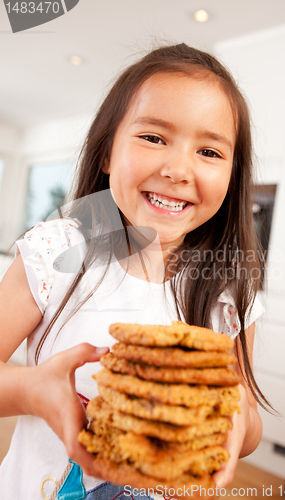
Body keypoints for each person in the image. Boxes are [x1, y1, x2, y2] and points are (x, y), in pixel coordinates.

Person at [0, 43, 269, 499]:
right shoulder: (55, 253)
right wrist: (32, 390)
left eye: (209, 151)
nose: (178, 169)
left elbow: (248, 424)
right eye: (153, 137)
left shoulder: (229, 288)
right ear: (106, 153)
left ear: (232, 176)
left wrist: (234, 414)